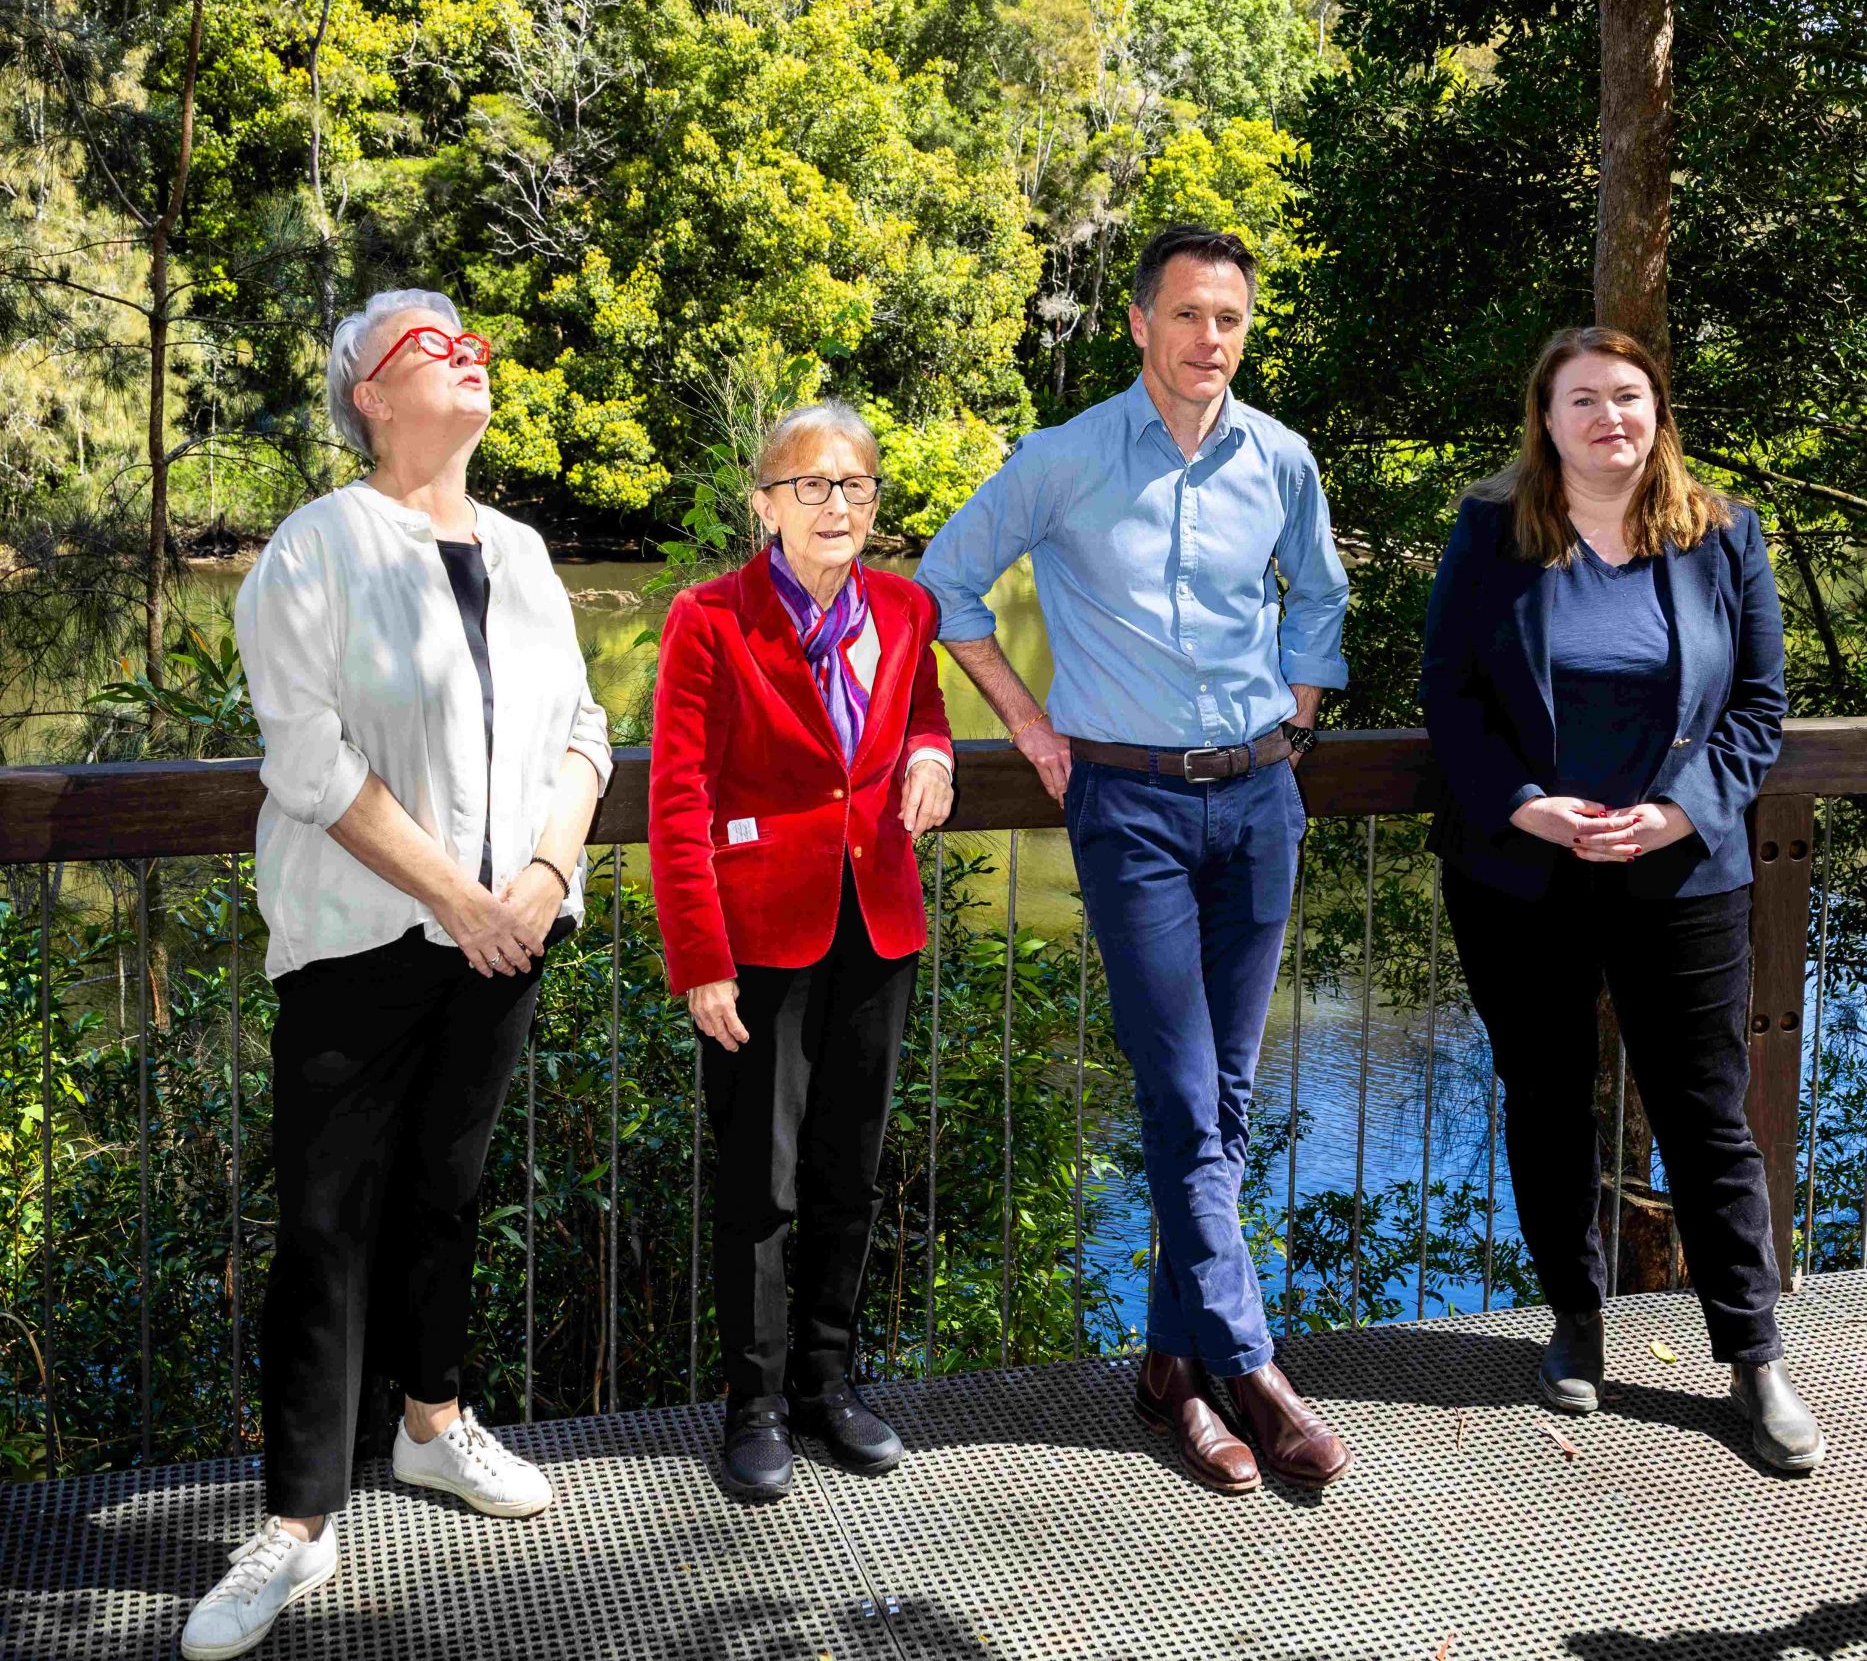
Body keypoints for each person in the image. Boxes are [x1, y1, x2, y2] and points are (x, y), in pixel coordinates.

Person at [180, 289, 612, 1660]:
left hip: (509, 935)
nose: (466, 352)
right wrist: (457, 899)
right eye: (431, 343)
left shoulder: (525, 554)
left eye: (472, 339)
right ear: (368, 395)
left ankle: (432, 1424)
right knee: (326, 1225)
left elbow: (585, 732)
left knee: (447, 1192)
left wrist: (538, 881)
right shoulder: (316, 547)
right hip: (362, 940)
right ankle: (297, 1523)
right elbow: (307, 759)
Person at [919, 225, 1352, 1497]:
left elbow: (1320, 596)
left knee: (1222, 1096)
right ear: (1138, 323)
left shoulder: (1280, 458)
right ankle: (1252, 1369)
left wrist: (1297, 728)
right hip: (1132, 812)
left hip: (1257, 803)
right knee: (1179, 1092)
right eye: (1187, 314)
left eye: (1229, 318)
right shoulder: (1061, 460)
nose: (1209, 339)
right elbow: (945, 585)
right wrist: (1029, 725)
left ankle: (1172, 1369)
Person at [1423, 324, 1825, 1475]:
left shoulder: (1722, 533)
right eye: (1583, 398)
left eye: (1628, 396)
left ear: (1657, 413)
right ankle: (1575, 1316)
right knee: (1547, 1098)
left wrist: (1679, 811)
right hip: (1521, 872)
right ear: (1545, 421)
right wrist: (1526, 805)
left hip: (1681, 871)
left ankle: (1752, 1355)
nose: (1609, 417)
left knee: (1705, 1115)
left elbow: (1757, 705)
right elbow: (1448, 695)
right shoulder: (1490, 532)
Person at [649, 401, 955, 1502]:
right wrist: (700, 956)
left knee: (848, 1171)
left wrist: (934, 757)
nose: (836, 505)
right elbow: (675, 796)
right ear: (764, 505)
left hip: (877, 922)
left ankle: (830, 1384)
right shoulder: (709, 618)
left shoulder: (905, 610)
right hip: (759, 937)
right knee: (758, 1180)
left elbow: (922, 715)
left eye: (854, 485)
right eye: (810, 485)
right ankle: (756, 1403)